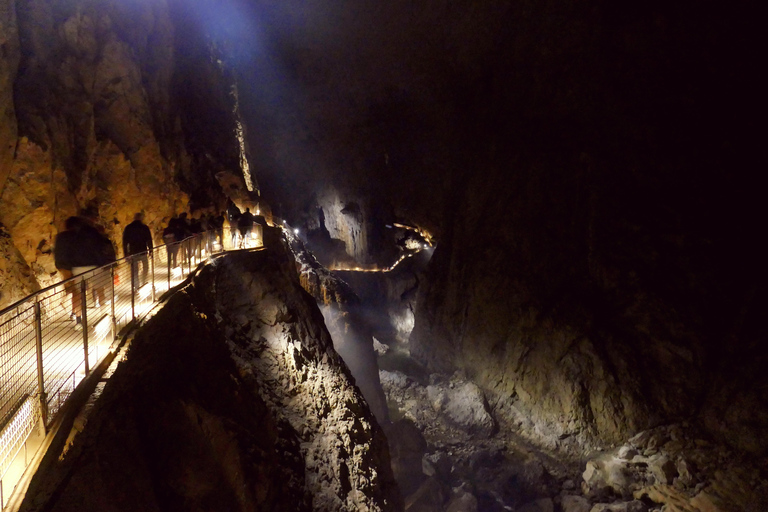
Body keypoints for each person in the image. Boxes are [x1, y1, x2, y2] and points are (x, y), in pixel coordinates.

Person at [123, 213, 153, 288]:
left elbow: (125, 241)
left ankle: (136, 286)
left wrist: (126, 253)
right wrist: (150, 250)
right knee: (145, 267)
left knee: (135, 270)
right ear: (141, 218)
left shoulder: (128, 227)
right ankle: (144, 281)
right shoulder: (144, 227)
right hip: (143, 251)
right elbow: (149, 239)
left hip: (133, 252)